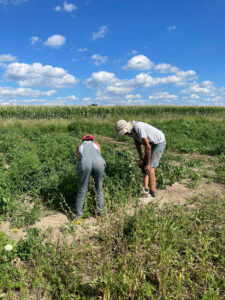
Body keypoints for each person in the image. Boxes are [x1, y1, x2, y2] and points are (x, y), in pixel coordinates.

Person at [115, 120, 166, 198]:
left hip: (158, 142)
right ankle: (145, 189)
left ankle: (152, 193)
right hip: (150, 144)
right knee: (144, 167)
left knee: (150, 168)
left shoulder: (138, 127)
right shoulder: (130, 132)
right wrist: (141, 159)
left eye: (123, 132)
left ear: (126, 127)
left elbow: (147, 146)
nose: (124, 134)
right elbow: (137, 143)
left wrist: (148, 164)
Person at [74, 134, 106, 220]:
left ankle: (78, 216)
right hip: (99, 163)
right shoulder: (97, 144)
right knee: (99, 189)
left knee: (82, 189)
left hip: (85, 164)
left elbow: (78, 158)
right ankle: (100, 214)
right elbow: (99, 154)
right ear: (92, 140)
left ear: (83, 140)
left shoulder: (79, 146)